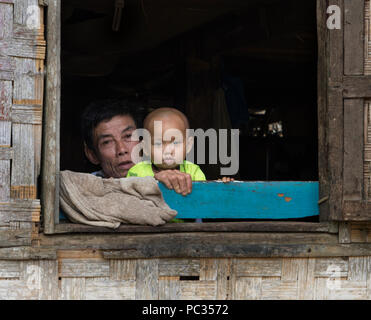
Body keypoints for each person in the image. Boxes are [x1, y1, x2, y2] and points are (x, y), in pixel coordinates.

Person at [81, 100, 194, 195]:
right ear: (92, 154)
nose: (121, 150)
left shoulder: (177, 173)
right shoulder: (86, 190)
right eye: (107, 142)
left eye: (128, 136)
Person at [127, 107, 206, 182]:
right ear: (146, 148)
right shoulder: (136, 173)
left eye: (175, 143)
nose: (167, 151)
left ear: (188, 145)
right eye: (158, 144)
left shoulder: (193, 172)